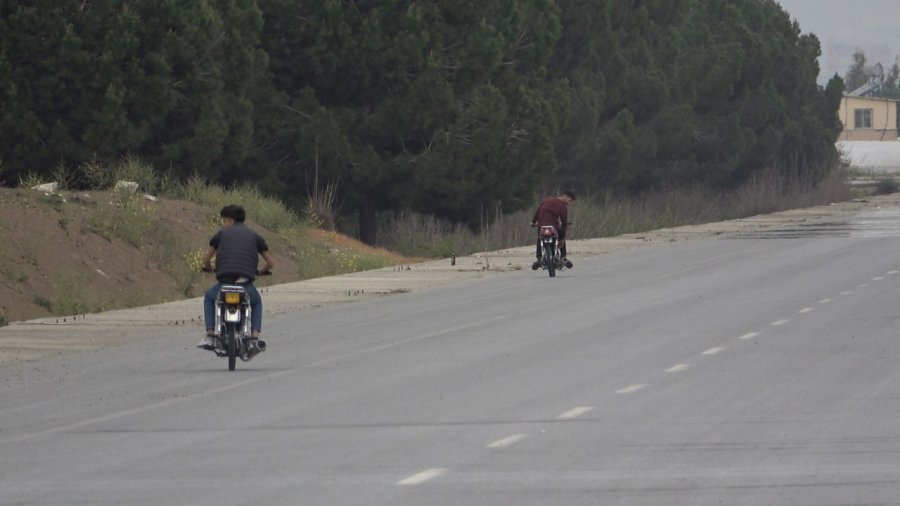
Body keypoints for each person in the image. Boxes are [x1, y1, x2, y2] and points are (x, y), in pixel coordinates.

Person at [197, 204, 275, 350]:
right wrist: (260, 271)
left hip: (224, 282)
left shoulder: (221, 234)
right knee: (256, 302)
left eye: (224, 221)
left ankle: (210, 334)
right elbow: (270, 262)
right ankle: (254, 337)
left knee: (209, 297)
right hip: (244, 283)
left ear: (231, 221)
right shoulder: (254, 236)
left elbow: (206, 259)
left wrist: (209, 268)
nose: (223, 224)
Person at [530, 190, 575, 270]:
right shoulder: (562, 206)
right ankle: (563, 257)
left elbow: (538, 211)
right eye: (570, 201)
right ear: (565, 197)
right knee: (561, 235)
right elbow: (564, 222)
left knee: (540, 239)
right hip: (554, 227)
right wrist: (562, 239)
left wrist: (533, 222)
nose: (569, 204)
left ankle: (539, 258)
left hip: (542, 226)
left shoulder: (546, 200)